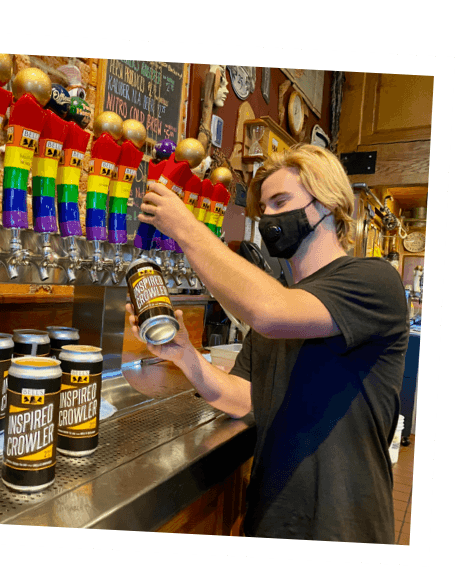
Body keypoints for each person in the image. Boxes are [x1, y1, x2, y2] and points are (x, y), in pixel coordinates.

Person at [129, 143, 409, 543]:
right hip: (272, 521)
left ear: (328, 203)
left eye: (282, 201)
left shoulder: (372, 281)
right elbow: (243, 398)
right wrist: (184, 356)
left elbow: (270, 311)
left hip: (344, 527)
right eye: (265, 209)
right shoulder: (281, 305)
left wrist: (185, 226)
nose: (271, 218)